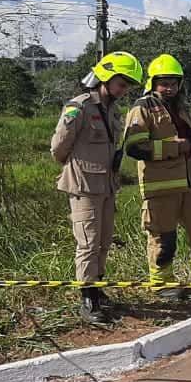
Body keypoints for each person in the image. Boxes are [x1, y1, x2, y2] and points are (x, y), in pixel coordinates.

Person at [121, 54, 191, 301]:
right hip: (161, 189)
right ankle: (162, 286)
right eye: (164, 83)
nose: (169, 88)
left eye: (174, 83)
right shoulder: (142, 108)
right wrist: (172, 148)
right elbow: (134, 147)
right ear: (153, 83)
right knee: (163, 240)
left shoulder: (183, 108)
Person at [51, 51, 142, 324]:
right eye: (121, 84)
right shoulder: (79, 107)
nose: (124, 91)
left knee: (103, 241)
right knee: (88, 242)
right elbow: (59, 147)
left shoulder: (112, 111)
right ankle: (88, 298)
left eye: (127, 86)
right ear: (105, 78)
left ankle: (98, 289)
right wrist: (78, 167)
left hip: (107, 185)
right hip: (84, 185)